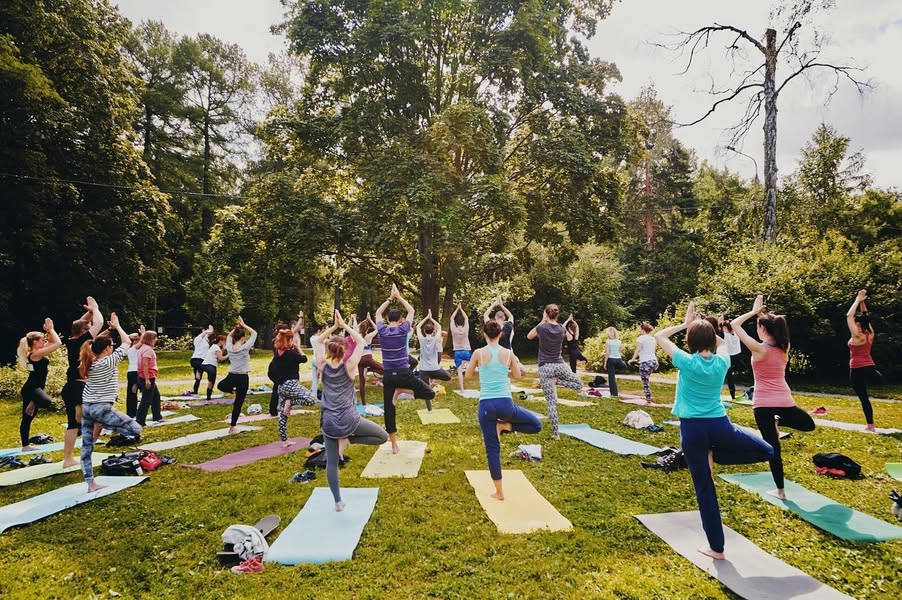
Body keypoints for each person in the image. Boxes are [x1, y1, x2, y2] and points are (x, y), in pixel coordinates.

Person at [655, 302, 773, 560]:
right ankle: (718, 454)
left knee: (705, 489)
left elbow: (660, 336)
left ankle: (716, 549)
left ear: (690, 341)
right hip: (720, 426)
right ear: (711, 338)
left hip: (693, 432)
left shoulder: (685, 361)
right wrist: (708, 328)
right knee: (768, 450)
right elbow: (720, 343)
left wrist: (687, 324)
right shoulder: (723, 361)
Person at [731, 296, 815, 499]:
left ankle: (781, 491)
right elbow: (776, 326)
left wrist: (753, 312)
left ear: (762, 330)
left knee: (773, 448)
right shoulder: (784, 347)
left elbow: (734, 324)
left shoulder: (758, 349)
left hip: (763, 406)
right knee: (808, 424)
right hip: (784, 401)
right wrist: (762, 316)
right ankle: (780, 420)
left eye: (759, 326)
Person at [317, 311, 389, 511]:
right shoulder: (349, 366)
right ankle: (349, 440)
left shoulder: (322, 366)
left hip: (329, 422)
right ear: (344, 350)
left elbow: (318, 341)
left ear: (329, 350)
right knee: (382, 436)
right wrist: (346, 326)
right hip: (350, 419)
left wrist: (334, 326)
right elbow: (359, 341)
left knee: (332, 463)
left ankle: (338, 502)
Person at [466, 319, 542, 500]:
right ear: (501, 334)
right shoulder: (508, 353)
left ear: (484, 334)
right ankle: (506, 426)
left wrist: (481, 369)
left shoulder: (478, 353)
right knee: (536, 425)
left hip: (486, 406)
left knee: (492, 449)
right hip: (506, 404)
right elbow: (518, 375)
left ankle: (499, 492)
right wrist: (505, 369)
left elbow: (468, 376)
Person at [79, 312, 143, 492]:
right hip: (101, 408)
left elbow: (113, 342)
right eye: (111, 345)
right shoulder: (108, 361)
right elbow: (127, 342)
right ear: (107, 349)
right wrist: (118, 327)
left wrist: (109, 330)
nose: (114, 347)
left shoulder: (90, 361)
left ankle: (90, 483)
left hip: (87, 407)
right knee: (136, 429)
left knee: (87, 446)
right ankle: (110, 427)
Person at [376, 284, 436, 454]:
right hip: (403, 374)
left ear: (388, 319)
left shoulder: (382, 330)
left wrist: (390, 298)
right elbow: (411, 310)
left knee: (389, 410)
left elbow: (378, 313)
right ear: (400, 319)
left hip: (388, 376)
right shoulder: (403, 329)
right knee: (430, 394)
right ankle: (402, 390)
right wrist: (399, 296)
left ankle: (394, 445)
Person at [527, 304, 584, 439]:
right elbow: (562, 327)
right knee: (580, 384)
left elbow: (529, 336)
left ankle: (556, 434)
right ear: (557, 315)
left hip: (545, 367)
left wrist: (543, 320)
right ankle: (558, 381)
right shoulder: (561, 329)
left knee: (551, 402)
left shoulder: (541, 327)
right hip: (559, 364)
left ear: (546, 314)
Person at [60, 297, 104, 467]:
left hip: (70, 386)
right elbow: (98, 322)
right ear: (84, 331)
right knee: (92, 420)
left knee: (73, 424)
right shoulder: (81, 341)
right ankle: (87, 453)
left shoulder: (72, 340)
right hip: (78, 387)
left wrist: (89, 312)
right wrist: (96, 308)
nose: (91, 329)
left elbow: (78, 324)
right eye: (88, 328)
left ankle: (68, 459)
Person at [17, 318, 62, 452]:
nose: (44, 341)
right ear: (35, 342)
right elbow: (58, 343)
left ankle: (25, 446)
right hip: (32, 389)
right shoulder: (35, 354)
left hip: (35, 388)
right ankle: (34, 402)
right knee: (46, 402)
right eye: (42, 339)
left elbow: (53, 341)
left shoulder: (37, 352)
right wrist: (50, 329)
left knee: (28, 417)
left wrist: (48, 332)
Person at [269, 324, 316, 441]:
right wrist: (298, 348)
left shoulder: (278, 353)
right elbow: (304, 359)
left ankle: (284, 440)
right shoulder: (291, 354)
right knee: (312, 400)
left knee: (283, 416)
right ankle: (291, 402)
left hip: (281, 387)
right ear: (289, 340)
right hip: (291, 384)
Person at [846, 289, 881, 431]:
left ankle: (870, 426)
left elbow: (849, 315)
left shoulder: (857, 335)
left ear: (858, 324)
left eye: (855, 322)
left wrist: (856, 300)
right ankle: (870, 426)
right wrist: (862, 301)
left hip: (856, 369)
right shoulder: (870, 333)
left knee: (863, 397)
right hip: (870, 367)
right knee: (881, 382)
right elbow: (866, 316)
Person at [219, 317, 258, 428]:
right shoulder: (245, 347)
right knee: (238, 403)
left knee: (221, 385)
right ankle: (232, 426)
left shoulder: (230, 348)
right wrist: (243, 325)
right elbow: (254, 333)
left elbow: (228, 336)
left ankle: (232, 390)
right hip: (242, 378)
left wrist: (236, 328)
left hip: (231, 376)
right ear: (243, 338)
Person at [135, 330, 164, 426]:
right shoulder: (147, 350)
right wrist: (147, 379)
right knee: (146, 400)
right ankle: (140, 421)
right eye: (155, 338)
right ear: (151, 339)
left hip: (146, 376)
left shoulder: (142, 348)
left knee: (156, 397)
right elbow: (145, 364)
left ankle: (157, 416)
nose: (156, 339)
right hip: (147, 377)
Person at [416, 310, 452, 387]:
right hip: (434, 368)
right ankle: (431, 375)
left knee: (426, 389)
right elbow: (439, 327)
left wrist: (426, 318)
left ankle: (430, 376)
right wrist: (431, 318)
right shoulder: (436, 339)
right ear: (433, 332)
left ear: (424, 331)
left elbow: (418, 327)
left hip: (423, 369)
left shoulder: (421, 339)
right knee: (448, 377)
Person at [356, 315, 383, 406]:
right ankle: (370, 369)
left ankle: (363, 403)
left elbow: (355, 327)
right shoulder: (368, 336)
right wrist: (370, 320)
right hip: (367, 358)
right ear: (367, 328)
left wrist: (362, 321)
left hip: (359, 360)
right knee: (385, 370)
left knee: (362, 382)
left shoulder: (357, 335)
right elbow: (378, 329)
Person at [628, 322, 659, 403]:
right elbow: (653, 351)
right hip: (654, 362)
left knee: (645, 381)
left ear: (642, 330)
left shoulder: (641, 338)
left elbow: (638, 349)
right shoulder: (653, 339)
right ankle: (646, 394)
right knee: (647, 378)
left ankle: (648, 399)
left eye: (640, 329)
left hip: (645, 362)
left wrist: (632, 359)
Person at [450, 304, 472, 392]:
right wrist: (461, 309)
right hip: (466, 351)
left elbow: (451, 318)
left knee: (459, 371)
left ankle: (462, 389)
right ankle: (466, 365)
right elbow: (466, 318)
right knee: (475, 363)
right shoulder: (465, 329)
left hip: (457, 352)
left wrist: (457, 309)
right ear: (463, 323)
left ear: (455, 323)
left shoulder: (454, 330)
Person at [124, 326, 146, 418]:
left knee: (133, 392)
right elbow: (142, 341)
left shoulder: (135, 349)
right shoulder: (132, 349)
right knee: (134, 393)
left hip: (134, 372)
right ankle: (132, 413)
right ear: (134, 341)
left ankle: (133, 412)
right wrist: (143, 333)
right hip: (134, 372)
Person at [200, 333, 227, 400]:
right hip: (210, 365)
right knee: (211, 381)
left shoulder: (214, 346)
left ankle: (208, 396)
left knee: (211, 381)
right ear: (220, 341)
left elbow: (218, 356)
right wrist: (229, 354)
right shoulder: (216, 348)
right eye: (224, 341)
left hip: (207, 365)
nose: (225, 342)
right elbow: (221, 358)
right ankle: (208, 397)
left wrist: (223, 349)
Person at [190, 325, 214, 395]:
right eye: (203, 330)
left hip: (203, 360)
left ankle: (195, 392)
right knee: (199, 374)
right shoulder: (198, 338)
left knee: (198, 378)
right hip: (196, 359)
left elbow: (210, 333)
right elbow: (207, 332)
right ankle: (199, 371)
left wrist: (210, 327)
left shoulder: (205, 339)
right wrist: (208, 330)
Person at [603, 327, 627, 397]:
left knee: (611, 378)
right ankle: (623, 365)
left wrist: (605, 363)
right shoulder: (619, 341)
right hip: (618, 359)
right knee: (622, 366)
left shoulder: (608, 341)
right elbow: (620, 352)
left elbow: (607, 353)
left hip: (611, 359)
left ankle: (614, 394)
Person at [721, 320, 742, 400]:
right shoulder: (736, 333)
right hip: (737, 356)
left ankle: (732, 395)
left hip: (729, 357)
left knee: (729, 377)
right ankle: (733, 394)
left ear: (725, 328)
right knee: (730, 376)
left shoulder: (725, 335)